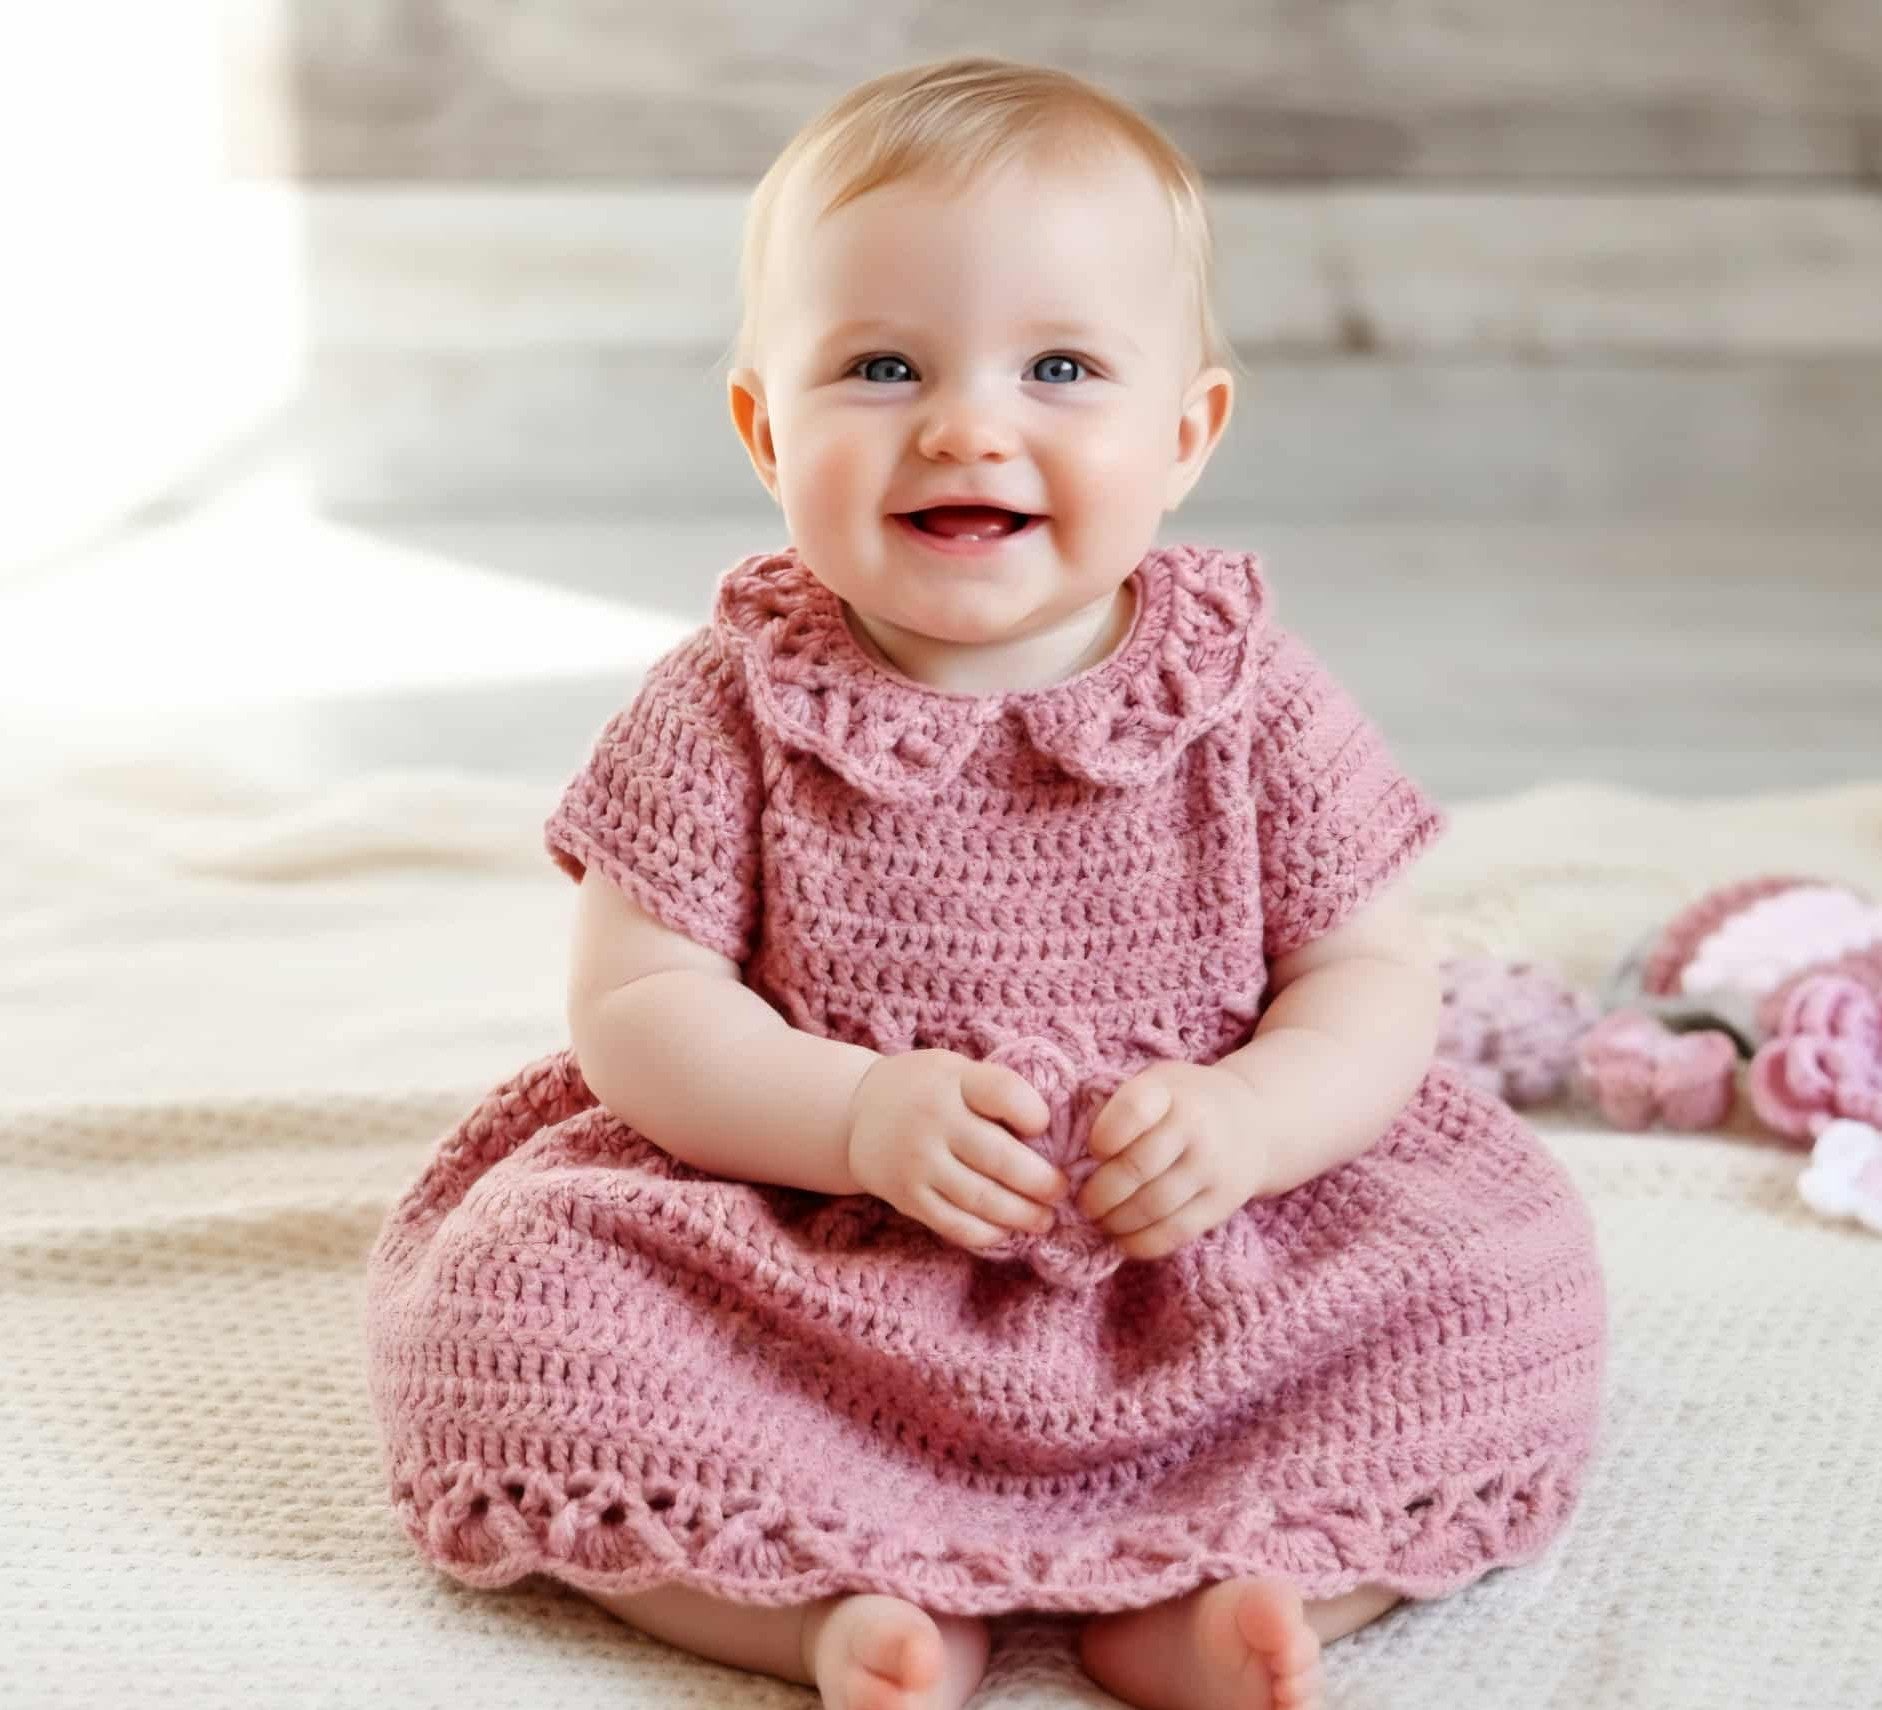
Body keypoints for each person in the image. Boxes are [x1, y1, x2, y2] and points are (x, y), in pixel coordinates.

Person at [362, 54, 1608, 1710]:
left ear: (1183, 435)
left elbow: (1371, 976)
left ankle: (1230, 1584)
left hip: (1203, 1250)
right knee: (517, 1302)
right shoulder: (726, 700)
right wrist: (852, 1114)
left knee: (1498, 1282)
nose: (966, 422)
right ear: (762, 426)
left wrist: (1254, 1123)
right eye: (880, 364)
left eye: (1062, 366)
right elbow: (639, 1004)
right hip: (807, 1253)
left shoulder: (1248, 693)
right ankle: (820, 1610)